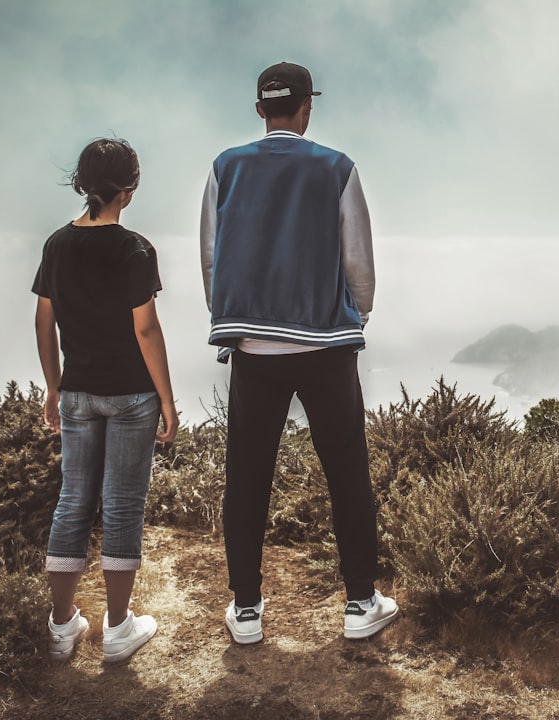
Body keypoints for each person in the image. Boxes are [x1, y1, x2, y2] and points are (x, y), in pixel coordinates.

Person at [200, 62, 398, 644]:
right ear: (308, 107)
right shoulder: (338, 168)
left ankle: (246, 610)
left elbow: (213, 258)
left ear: (260, 109)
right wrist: (354, 314)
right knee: (346, 472)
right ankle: (361, 602)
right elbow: (357, 259)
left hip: (253, 347)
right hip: (326, 346)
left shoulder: (224, 168)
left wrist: (235, 318)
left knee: (248, 475)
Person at [33, 137, 179, 663]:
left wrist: (54, 386)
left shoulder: (56, 244)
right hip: (131, 396)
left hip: (77, 392)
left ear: (83, 184)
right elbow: (146, 330)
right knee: (120, 505)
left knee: (73, 501)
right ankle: (118, 628)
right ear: (129, 190)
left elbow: (44, 320)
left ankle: (62, 625)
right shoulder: (134, 248)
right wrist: (167, 399)